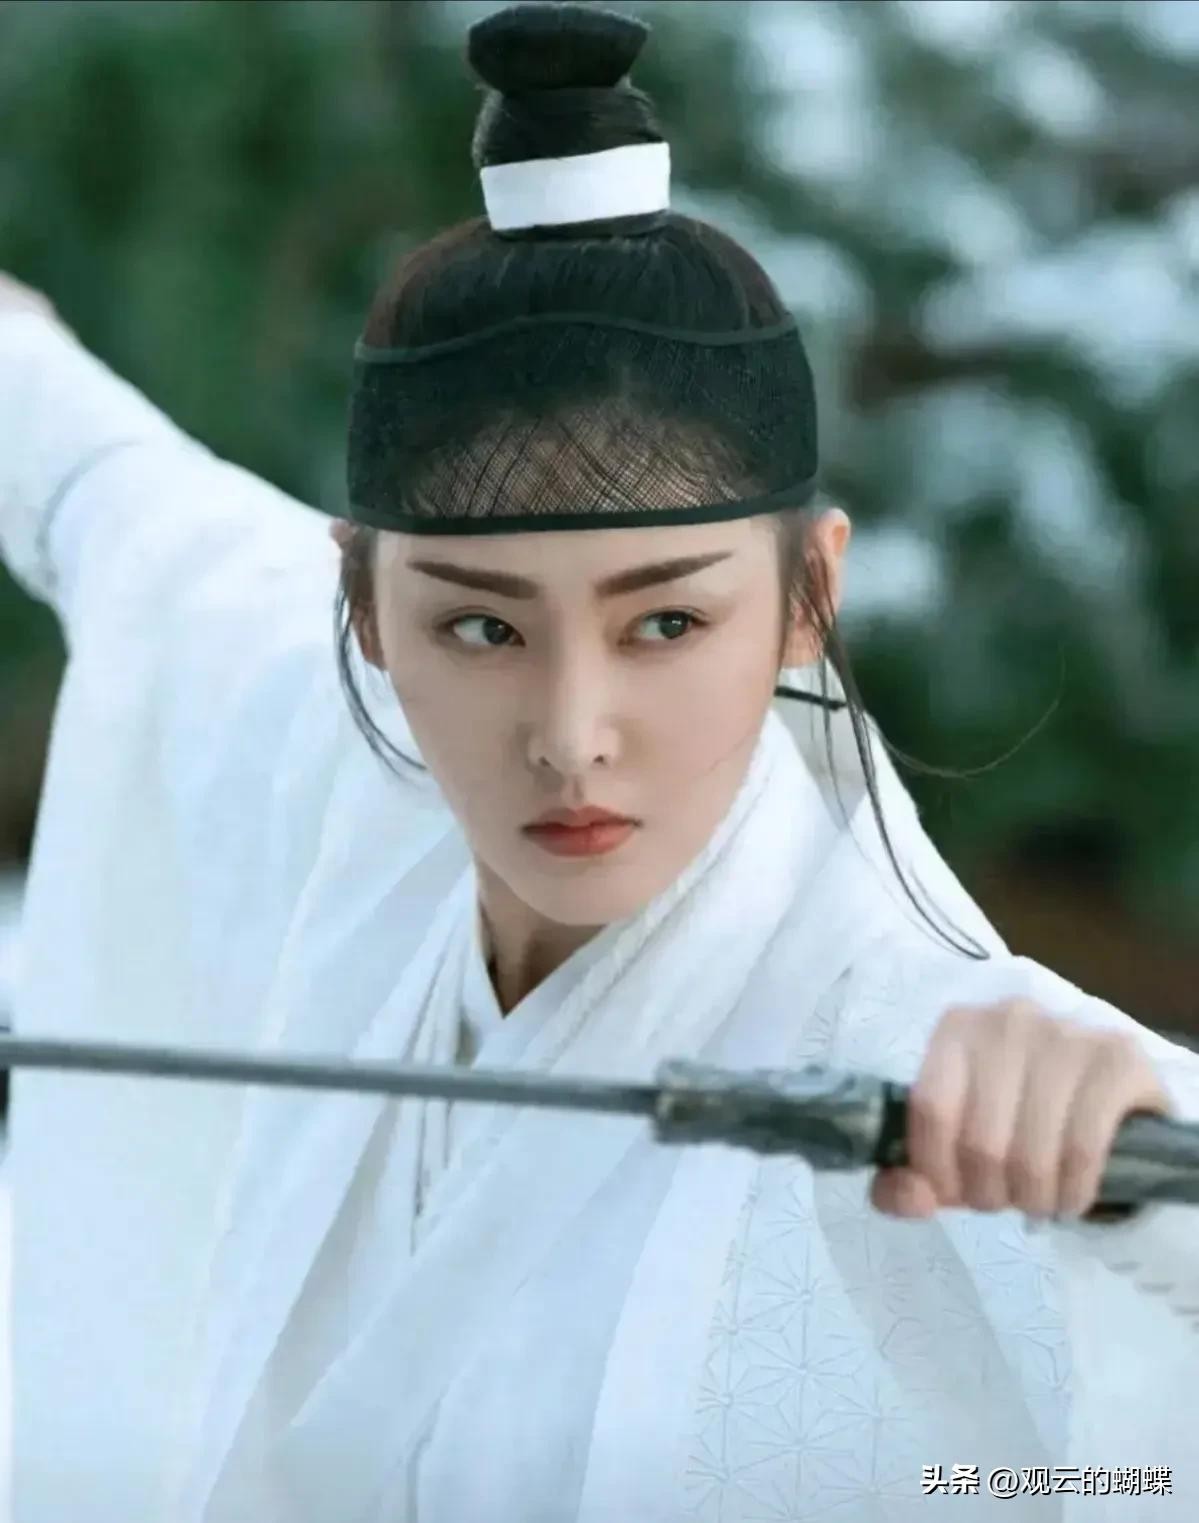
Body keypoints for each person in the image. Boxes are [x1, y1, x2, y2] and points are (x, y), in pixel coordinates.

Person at [2, 5, 1197, 1520]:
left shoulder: (920, 1047)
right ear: (363, 605)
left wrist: (1134, 1188)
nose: (570, 734)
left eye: (668, 622)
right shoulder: (355, 782)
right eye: (484, 629)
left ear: (810, 597)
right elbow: (121, 506)